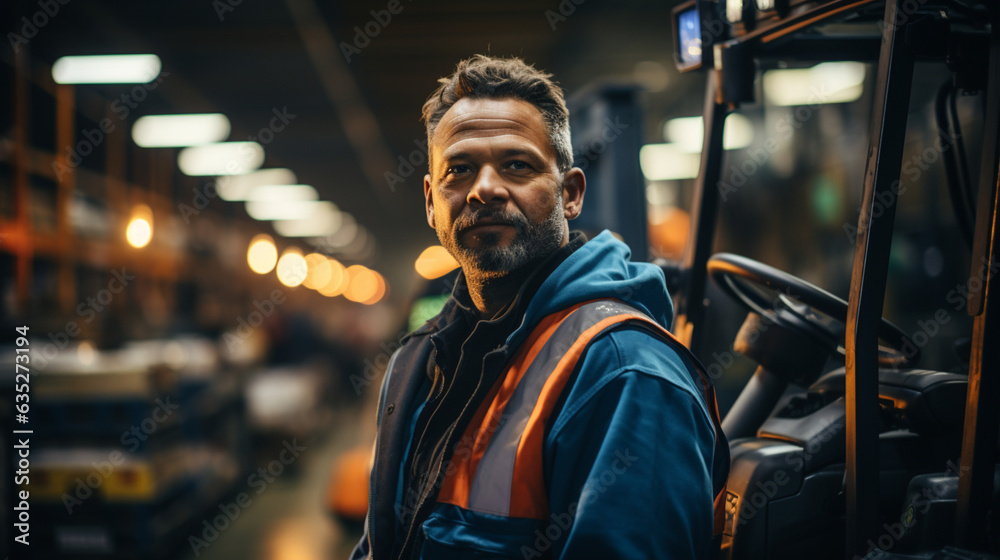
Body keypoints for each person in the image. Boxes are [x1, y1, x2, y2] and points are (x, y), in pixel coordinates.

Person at [350, 54, 728, 560]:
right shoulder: (419, 361)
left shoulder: (622, 371)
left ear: (570, 195)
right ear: (430, 201)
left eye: (517, 165)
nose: (484, 189)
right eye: (459, 170)